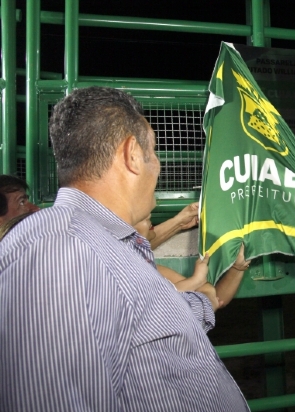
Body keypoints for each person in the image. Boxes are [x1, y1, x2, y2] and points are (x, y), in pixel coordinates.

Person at [0, 86, 249, 411]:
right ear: (132, 154)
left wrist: (203, 299)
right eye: (155, 152)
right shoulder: (60, 251)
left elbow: (144, 324)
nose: (158, 165)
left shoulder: (105, 243)